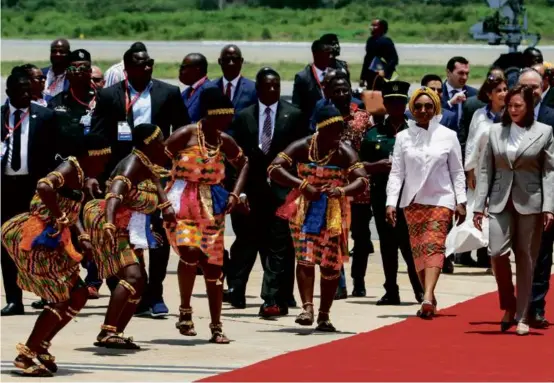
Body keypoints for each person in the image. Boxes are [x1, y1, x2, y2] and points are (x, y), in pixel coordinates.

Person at [91, 45, 190, 318]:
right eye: (140, 64)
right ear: (127, 68)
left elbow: (182, 131)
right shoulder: (110, 96)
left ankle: (154, 294)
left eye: (149, 63)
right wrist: (95, 176)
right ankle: (124, 289)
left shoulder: (168, 93)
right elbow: (99, 137)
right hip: (122, 176)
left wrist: (175, 167)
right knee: (120, 235)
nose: (147, 67)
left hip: (157, 178)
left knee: (157, 235)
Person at [1, 133, 111, 377]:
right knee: (59, 299)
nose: (104, 164)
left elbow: (72, 210)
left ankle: (41, 347)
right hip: (37, 241)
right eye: (102, 159)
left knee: (80, 294)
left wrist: (81, 235)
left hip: (55, 243)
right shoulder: (70, 167)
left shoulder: (82, 173)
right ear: (89, 156)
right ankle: (25, 355)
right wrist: (60, 218)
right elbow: (43, 185)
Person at [269, 105, 369, 332]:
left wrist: (341, 191)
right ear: (321, 129)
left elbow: (362, 180)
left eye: (341, 130)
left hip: (334, 212)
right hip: (304, 209)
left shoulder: (345, 151)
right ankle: (307, 308)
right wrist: (302, 185)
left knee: (330, 264)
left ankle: (324, 314)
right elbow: (274, 168)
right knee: (304, 257)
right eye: (334, 130)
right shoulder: (303, 146)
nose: (339, 135)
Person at [164, 88, 248, 343]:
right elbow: (155, 160)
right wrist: (160, 198)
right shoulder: (185, 135)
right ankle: (185, 311)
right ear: (209, 116)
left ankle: (216, 325)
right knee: (190, 252)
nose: (227, 123)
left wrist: (235, 194)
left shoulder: (224, 140)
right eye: (222, 118)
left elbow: (244, 163)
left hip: (213, 205)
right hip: (183, 201)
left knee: (213, 266)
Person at [84, 123, 175, 348]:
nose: (164, 143)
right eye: (160, 139)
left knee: (139, 282)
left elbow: (151, 188)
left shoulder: (145, 162)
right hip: (114, 225)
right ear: (149, 143)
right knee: (133, 277)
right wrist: (109, 224)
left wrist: (151, 227)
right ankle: (107, 331)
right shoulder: (132, 164)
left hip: (130, 228)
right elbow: (115, 194)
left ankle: (115, 332)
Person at [473, 84, 554, 336]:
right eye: (510, 105)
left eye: (518, 105)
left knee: (525, 258)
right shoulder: (496, 131)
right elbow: (485, 169)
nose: (513, 109)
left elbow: (549, 171)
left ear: (529, 106)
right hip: (499, 199)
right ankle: (507, 303)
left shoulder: (545, 131)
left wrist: (549, 207)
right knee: (496, 252)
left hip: (531, 201)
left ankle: (521, 316)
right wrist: (478, 206)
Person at [226, 68, 303, 315]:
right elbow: (236, 159)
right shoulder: (243, 117)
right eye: (267, 86)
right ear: (258, 88)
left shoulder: (294, 115)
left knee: (279, 247)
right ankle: (236, 290)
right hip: (252, 193)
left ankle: (271, 298)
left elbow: (301, 157)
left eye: (276, 86)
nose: (272, 90)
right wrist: (239, 192)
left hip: (281, 194)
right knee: (246, 243)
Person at [386, 87, 467, 319]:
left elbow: (457, 171)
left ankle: (428, 296)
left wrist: (461, 200)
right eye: (419, 106)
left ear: (435, 108)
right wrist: (391, 202)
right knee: (419, 251)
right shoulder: (403, 137)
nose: (423, 110)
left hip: (441, 199)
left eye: (428, 106)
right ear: (412, 109)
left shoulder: (448, 135)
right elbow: (397, 173)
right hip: (412, 201)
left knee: (433, 245)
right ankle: (427, 295)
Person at [361, 81, 424, 305]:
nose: (396, 106)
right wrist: (377, 165)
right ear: (385, 105)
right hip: (382, 196)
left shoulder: (417, 132)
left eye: (400, 101)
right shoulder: (372, 134)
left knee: (410, 245)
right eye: (391, 102)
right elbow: (359, 166)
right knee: (387, 246)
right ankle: (391, 290)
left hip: (410, 197)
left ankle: (420, 290)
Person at [1, 73, 58, 316]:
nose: (27, 93)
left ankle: (47, 294)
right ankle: (14, 300)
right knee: (7, 242)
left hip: (35, 188)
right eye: (21, 89)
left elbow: (56, 153)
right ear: (9, 91)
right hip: (5, 188)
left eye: (29, 89)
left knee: (39, 242)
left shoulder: (44, 116)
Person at [328, 74, 375, 299]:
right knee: (336, 235)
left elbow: (372, 148)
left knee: (362, 237)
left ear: (350, 91)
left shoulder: (363, 118)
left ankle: (359, 279)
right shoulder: (325, 117)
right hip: (334, 187)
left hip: (360, 186)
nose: (340, 95)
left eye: (344, 90)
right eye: (335, 91)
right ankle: (338, 282)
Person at [517, 68, 554, 329]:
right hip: (516, 195)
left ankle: (536, 307)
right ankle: (519, 304)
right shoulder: (509, 118)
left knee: (542, 254)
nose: (531, 92)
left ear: (543, 88)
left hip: (547, 195)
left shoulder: (552, 117)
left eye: (535, 87)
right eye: (525, 87)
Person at [464, 73, 507, 268]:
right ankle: (480, 255)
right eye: (499, 91)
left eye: (505, 89)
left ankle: (495, 259)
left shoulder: (512, 113)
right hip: (481, 170)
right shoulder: (479, 115)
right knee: (480, 213)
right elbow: (472, 144)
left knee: (499, 215)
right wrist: (470, 171)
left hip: (504, 171)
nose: (503, 94)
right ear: (489, 94)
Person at [48, 49, 97, 137]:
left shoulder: (104, 99)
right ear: (66, 73)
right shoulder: (56, 102)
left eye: (83, 68)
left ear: (90, 72)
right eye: (72, 68)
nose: (77, 72)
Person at [292, 39, 333, 126]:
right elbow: (296, 107)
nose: (331, 56)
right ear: (315, 54)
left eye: (331, 53)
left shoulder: (335, 75)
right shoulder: (303, 78)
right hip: (311, 126)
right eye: (327, 53)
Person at [211, 44, 257, 116]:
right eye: (227, 60)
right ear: (220, 61)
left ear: (241, 61)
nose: (231, 63)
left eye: (235, 59)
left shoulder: (253, 89)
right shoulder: (210, 88)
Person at [360, 19, 398, 87]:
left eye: (374, 25)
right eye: (371, 25)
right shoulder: (370, 41)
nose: (371, 27)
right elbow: (367, 60)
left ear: (381, 28)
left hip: (384, 76)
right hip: (371, 75)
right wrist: (362, 77)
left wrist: (385, 71)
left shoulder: (387, 41)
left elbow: (394, 59)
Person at [179, 53, 216, 123]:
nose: (180, 71)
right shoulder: (185, 93)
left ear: (197, 69)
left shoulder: (210, 91)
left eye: (183, 67)